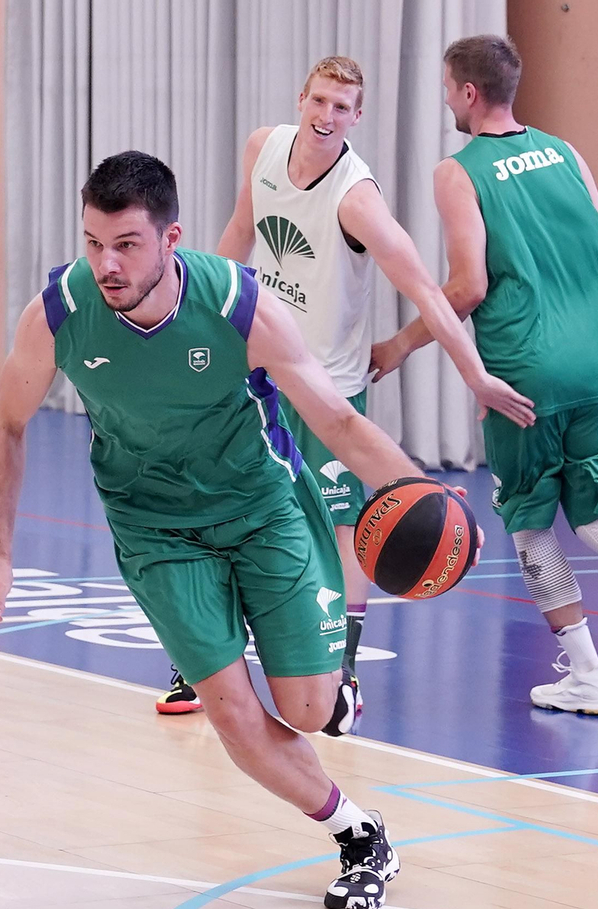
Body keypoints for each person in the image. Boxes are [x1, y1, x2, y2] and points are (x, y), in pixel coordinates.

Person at [0, 151, 478, 909]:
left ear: (171, 239)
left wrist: (415, 491)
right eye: (93, 242)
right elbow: (4, 424)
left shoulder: (239, 305)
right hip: (156, 529)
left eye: (127, 244)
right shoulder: (59, 315)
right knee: (235, 715)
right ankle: (359, 831)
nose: (106, 264)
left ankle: (324, 683)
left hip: (262, 506)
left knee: (307, 711)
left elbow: (335, 419)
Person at [153, 54, 537, 721]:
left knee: (341, 528)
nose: (327, 116)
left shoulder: (356, 198)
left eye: (342, 107)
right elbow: (242, 230)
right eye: (319, 101)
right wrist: (200, 314)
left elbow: (425, 287)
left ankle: (347, 673)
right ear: (300, 99)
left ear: (357, 117)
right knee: (226, 508)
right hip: (255, 370)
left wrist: (474, 373)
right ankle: (207, 661)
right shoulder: (263, 148)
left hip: (327, 389)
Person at [370, 35, 598, 717]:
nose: (446, 98)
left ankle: (590, 673)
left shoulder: (458, 170)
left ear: (468, 93)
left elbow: (469, 285)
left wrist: (402, 343)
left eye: (447, 87)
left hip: (525, 375)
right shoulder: (567, 153)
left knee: (531, 524)